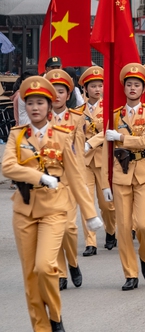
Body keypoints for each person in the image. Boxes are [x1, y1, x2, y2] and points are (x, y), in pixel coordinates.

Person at [3, 76, 102, 332]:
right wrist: (37, 176)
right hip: (24, 209)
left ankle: (55, 317)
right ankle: (41, 331)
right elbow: (8, 166)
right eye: (30, 103)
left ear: (49, 106)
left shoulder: (62, 135)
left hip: (54, 209)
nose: (35, 108)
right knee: (29, 275)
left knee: (45, 267)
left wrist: (90, 212)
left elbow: (76, 175)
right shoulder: (17, 135)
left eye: (40, 103)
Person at [103, 64, 145, 291]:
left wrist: (121, 137)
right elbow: (105, 146)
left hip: (144, 172)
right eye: (129, 84)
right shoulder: (114, 115)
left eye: (137, 84)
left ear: (144, 88)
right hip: (121, 175)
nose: (133, 88)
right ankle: (130, 273)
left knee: (144, 225)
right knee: (124, 228)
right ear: (124, 88)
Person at [43, 70, 87, 291]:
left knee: (69, 228)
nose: (57, 96)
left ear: (68, 93)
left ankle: (73, 262)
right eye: (53, 92)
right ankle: (60, 272)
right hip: (47, 181)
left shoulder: (77, 119)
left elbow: (78, 152)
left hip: (69, 180)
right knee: (55, 229)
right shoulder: (39, 119)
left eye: (61, 91)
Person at [78, 67, 117, 256]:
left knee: (107, 205)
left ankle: (111, 231)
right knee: (87, 202)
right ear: (85, 89)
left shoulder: (109, 109)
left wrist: (89, 143)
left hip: (103, 160)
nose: (97, 89)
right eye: (93, 86)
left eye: (100, 86)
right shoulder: (78, 111)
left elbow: (106, 132)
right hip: (84, 162)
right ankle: (90, 243)